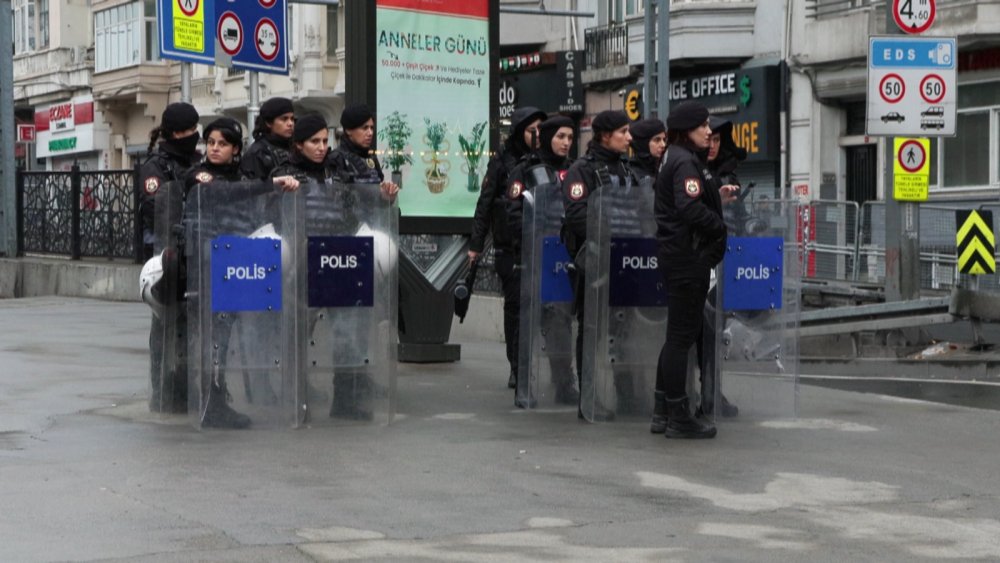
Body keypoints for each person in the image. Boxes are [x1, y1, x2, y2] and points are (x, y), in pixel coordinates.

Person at [653, 101, 726, 439]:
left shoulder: (675, 157)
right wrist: (718, 227)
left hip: (678, 256)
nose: (709, 131)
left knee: (675, 337)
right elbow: (688, 207)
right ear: (686, 130)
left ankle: (663, 411)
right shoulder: (683, 161)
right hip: (687, 259)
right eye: (702, 125)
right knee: (682, 338)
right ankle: (679, 416)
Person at [562, 110, 636, 420]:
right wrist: (612, 232)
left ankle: (628, 396)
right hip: (596, 261)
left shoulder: (626, 169)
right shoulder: (583, 170)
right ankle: (589, 400)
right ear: (605, 135)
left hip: (628, 261)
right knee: (592, 332)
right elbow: (577, 214)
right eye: (623, 131)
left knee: (624, 332)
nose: (629, 138)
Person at [470, 106, 546, 390]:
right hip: (509, 246)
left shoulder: (543, 160)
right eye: (531, 131)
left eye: (540, 130)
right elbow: (485, 202)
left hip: (540, 244)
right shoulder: (502, 162)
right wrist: (475, 246)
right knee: (515, 305)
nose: (537, 136)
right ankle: (517, 365)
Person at [506, 116, 578, 407]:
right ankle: (523, 385)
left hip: (562, 255)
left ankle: (564, 383)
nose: (566, 143)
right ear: (548, 136)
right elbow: (511, 212)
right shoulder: (526, 170)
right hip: (534, 255)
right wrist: (528, 239)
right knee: (529, 321)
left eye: (571, 138)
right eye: (561, 136)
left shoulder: (574, 171)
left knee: (561, 321)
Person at [139, 102, 201, 414]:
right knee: (165, 325)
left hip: (197, 251)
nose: (194, 136)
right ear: (175, 133)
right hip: (168, 255)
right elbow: (155, 207)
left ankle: (188, 388)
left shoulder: (197, 161)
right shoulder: (156, 167)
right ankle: (163, 391)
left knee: (192, 325)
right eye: (189, 131)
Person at [696, 116, 747, 419]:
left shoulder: (730, 175)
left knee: (713, 332)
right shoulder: (689, 170)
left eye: (717, 140)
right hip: (694, 259)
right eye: (708, 138)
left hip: (723, 261)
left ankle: (711, 392)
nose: (712, 145)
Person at [241, 97, 295, 180]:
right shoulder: (257, 153)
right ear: (269, 122)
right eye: (284, 119)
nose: (290, 123)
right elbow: (253, 188)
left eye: (292, 119)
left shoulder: (295, 147)